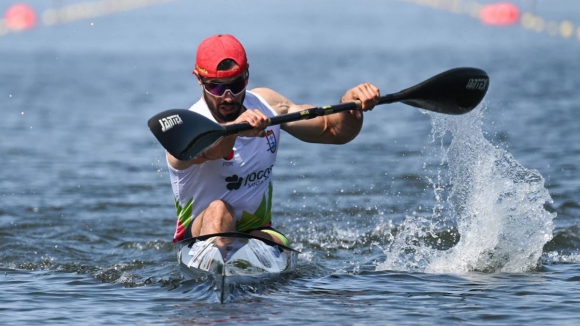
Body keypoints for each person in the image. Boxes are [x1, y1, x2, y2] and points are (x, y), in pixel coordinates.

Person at [166, 34, 380, 246]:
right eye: (217, 87)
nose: (228, 97)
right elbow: (212, 152)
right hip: (199, 236)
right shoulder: (187, 127)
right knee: (218, 210)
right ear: (199, 80)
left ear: (247, 77)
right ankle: (218, 264)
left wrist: (350, 106)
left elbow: (334, 131)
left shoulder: (269, 105)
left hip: (257, 233)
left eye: (237, 84)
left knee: (277, 242)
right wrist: (235, 130)